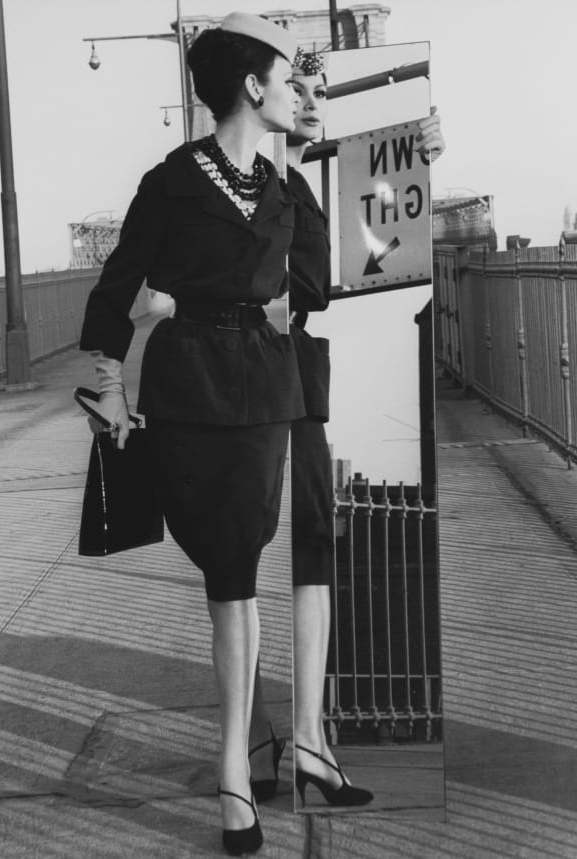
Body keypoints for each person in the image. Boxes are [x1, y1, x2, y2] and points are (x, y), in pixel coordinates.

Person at [79, 13, 304, 856]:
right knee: (230, 576)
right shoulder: (171, 180)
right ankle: (235, 774)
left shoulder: (283, 187)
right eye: (286, 76)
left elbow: (326, 264)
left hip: (266, 392)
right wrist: (107, 382)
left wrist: (412, 142)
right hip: (192, 390)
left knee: (240, 570)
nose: (294, 90)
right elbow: (114, 286)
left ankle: (244, 753)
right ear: (252, 86)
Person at [247, 47, 446, 809]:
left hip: (293, 378)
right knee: (247, 560)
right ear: (254, 93)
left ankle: (303, 739)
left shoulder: (297, 180)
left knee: (310, 547)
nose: (308, 99)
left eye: (317, 88)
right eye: (294, 86)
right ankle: (271, 738)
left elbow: (369, 240)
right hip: (249, 381)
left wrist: (425, 157)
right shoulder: (248, 182)